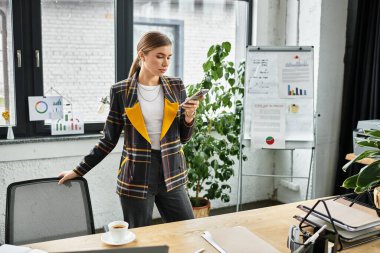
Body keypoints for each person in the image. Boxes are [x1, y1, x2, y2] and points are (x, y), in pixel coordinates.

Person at [58, 31, 200, 228]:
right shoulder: (121, 91)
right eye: (159, 56)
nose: (165, 63)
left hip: (172, 172)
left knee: (186, 230)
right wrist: (79, 170)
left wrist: (189, 117)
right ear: (142, 55)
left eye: (168, 57)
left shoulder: (176, 86)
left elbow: (183, 138)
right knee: (139, 237)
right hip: (136, 175)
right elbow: (108, 140)